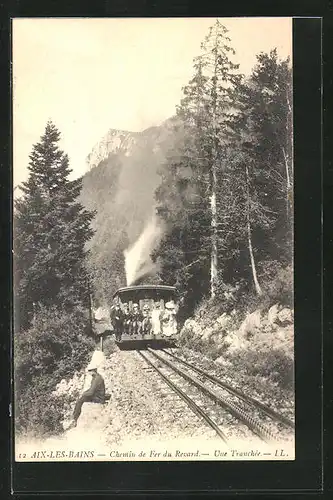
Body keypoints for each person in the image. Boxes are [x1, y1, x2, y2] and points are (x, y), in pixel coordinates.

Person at [67, 362, 106, 429]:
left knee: (80, 401)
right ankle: (75, 417)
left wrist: (83, 394)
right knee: (82, 397)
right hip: (98, 395)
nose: (89, 373)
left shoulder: (96, 379)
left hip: (99, 398)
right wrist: (85, 392)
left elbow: (91, 392)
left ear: (93, 371)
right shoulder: (97, 377)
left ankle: (74, 419)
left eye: (89, 371)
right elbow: (91, 389)